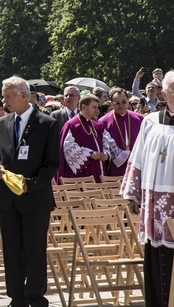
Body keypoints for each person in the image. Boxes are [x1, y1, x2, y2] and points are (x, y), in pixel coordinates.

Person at [0, 76, 60, 307]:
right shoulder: (2, 123)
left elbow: (52, 164)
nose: (4, 100)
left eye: (8, 96)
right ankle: (16, 298)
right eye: (4, 95)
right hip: (8, 200)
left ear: (23, 95)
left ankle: (35, 298)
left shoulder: (47, 123)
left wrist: (31, 183)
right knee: (11, 252)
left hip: (35, 198)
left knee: (34, 251)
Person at [122, 70, 174, 306]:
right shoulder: (150, 122)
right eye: (173, 88)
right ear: (164, 93)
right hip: (156, 207)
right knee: (159, 264)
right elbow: (138, 157)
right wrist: (133, 194)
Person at [57, 94, 115, 182]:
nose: (97, 111)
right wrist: (89, 154)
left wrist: (106, 153)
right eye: (94, 107)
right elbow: (68, 148)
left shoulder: (97, 126)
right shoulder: (72, 125)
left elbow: (106, 142)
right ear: (84, 106)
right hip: (82, 174)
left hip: (98, 170)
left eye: (97, 108)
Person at [97, 87, 144, 177]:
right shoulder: (103, 122)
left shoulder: (139, 118)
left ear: (128, 101)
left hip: (137, 164)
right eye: (117, 103)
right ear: (111, 103)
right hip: (115, 168)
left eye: (124, 102)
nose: (121, 106)